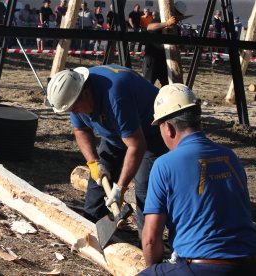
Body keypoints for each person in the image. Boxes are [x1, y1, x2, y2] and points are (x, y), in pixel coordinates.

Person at [140, 83, 256, 275]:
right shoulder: (230, 157)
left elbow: (151, 239)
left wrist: (154, 270)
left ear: (168, 128)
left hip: (203, 267)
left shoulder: (164, 165)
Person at [46, 65, 168, 241]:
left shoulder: (115, 96)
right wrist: (93, 163)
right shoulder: (75, 96)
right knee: (98, 180)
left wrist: (120, 188)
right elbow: (80, 130)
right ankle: (91, 230)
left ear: (86, 93)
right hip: (117, 133)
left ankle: (147, 243)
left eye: (74, 108)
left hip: (151, 135)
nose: (74, 113)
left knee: (144, 189)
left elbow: (136, 146)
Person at [143, 2, 185, 87]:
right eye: (177, 14)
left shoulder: (176, 27)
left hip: (166, 61)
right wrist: (166, 24)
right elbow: (149, 27)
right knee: (147, 85)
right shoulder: (160, 19)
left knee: (167, 86)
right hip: (152, 59)